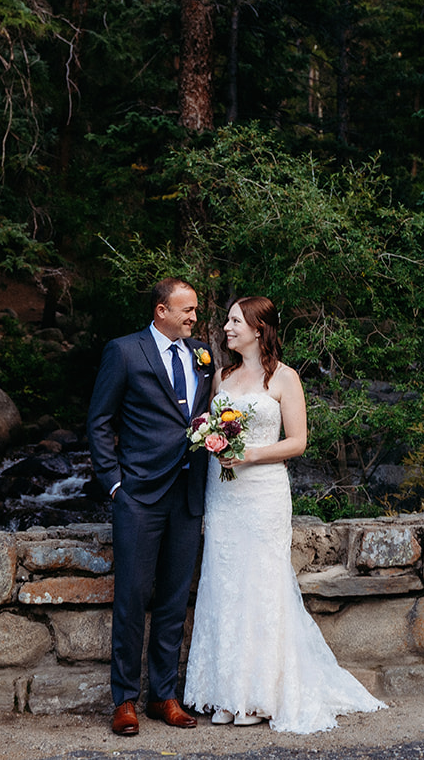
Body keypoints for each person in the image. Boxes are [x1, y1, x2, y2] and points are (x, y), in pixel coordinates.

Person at [182, 296, 386, 733]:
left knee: (262, 584)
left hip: (262, 494)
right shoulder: (221, 375)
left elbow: (298, 443)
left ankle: (261, 693)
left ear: (259, 329)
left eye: (236, 321)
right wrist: (213, 442)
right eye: (229, 321)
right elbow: (210, 427)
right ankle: (227, 693)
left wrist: (248, 454)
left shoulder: (284, 378)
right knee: (223, 583)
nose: (227, 328)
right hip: (222, 494)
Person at [87, 277, 215, 737]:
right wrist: (115, 483)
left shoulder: (202, 354)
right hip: (138, 495)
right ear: (161, 310)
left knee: (173, 600)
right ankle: (123, 701)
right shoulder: (124, 351)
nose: (193, 317)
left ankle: (164, 695)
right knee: (133, 596)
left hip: (188, 494)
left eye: (196, 310)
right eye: (186, 310)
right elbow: (100, 421)